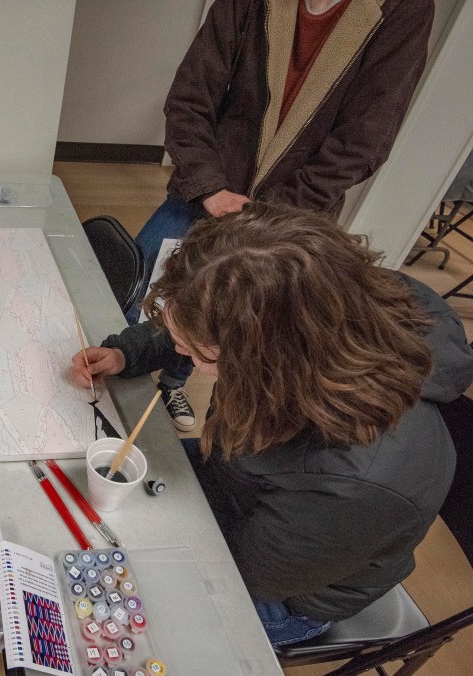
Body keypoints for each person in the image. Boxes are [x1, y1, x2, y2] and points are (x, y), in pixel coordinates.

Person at [72, 203, 473, 646]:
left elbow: (242, 578)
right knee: (82, 495)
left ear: (268, 359)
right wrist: (129, 353)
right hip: (240, 482)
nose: (182, 350)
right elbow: (206, 317)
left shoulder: (354, 483)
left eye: (199, 353)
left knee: (106, 623)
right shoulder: (315, 301)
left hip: (284, 590)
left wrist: (148, 539)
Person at [135, 0, 434, 431]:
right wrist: (211, 189)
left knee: (243, 341)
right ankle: (144, 368)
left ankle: (176, 387)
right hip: (206, 191)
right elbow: (189, 99)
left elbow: (364, 139)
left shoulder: (404, 11)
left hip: (291, 216)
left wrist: (266, 216)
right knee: (151, 297)